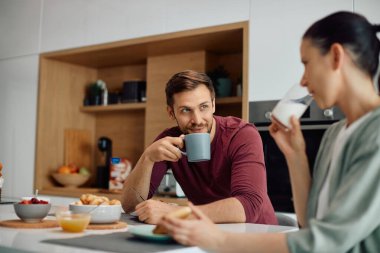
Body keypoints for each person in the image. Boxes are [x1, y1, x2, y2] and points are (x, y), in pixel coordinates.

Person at [158, 11, 380, 253]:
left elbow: (326, 242)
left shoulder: (375, 134)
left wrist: (219, 240)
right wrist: (295, 156)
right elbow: (309, 224)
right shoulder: (336, 132)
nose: (303, 81)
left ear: (336, 56)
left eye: (306, 64)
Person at [121, 70, 277, 225]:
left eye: (203, 107)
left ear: (213, 105)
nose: (197, 120)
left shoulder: (241, 134)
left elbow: (249, 206)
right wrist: (147, 157)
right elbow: (129, 205)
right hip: (208, 234)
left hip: (259, 235)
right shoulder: (169, 140)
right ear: (171, 112)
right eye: (186, 110)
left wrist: (175, 213)